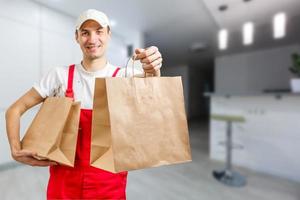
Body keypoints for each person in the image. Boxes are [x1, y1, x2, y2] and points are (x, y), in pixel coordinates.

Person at [5, 9, 163, 199]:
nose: (92, 38)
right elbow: (15, 109)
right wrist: (15, 148)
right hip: (63, 186)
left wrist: (153, 69)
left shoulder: (124, 77)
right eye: (85, 32)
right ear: (77, 37)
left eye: (99, 31)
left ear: (108, 34)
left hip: (109, 187)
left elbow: (153, 96)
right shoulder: (59, 76)